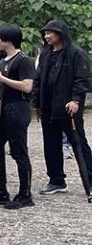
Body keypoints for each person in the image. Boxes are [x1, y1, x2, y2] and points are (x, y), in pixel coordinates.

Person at [33, 20, 91, 196]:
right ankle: (56, 180)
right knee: (50, 144)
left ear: (60, 33)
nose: (46, 36)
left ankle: (90, 180)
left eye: (50, 32)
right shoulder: (45, 54)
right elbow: (38, 79)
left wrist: (76, 100)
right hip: (48, 108)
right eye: (45, 33)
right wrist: (37, 102)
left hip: (68, 107)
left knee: (78, 143)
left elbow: (81, 79)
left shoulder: (76, 54)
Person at [0, 24, 36, 209]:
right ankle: (1, 190)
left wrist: (2, 79)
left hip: (18, 109)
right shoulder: (3, 61)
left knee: (19, 151)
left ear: (8, 40)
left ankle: (25, 194)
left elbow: (27, 86)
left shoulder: (23, 60)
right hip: (2, 110)